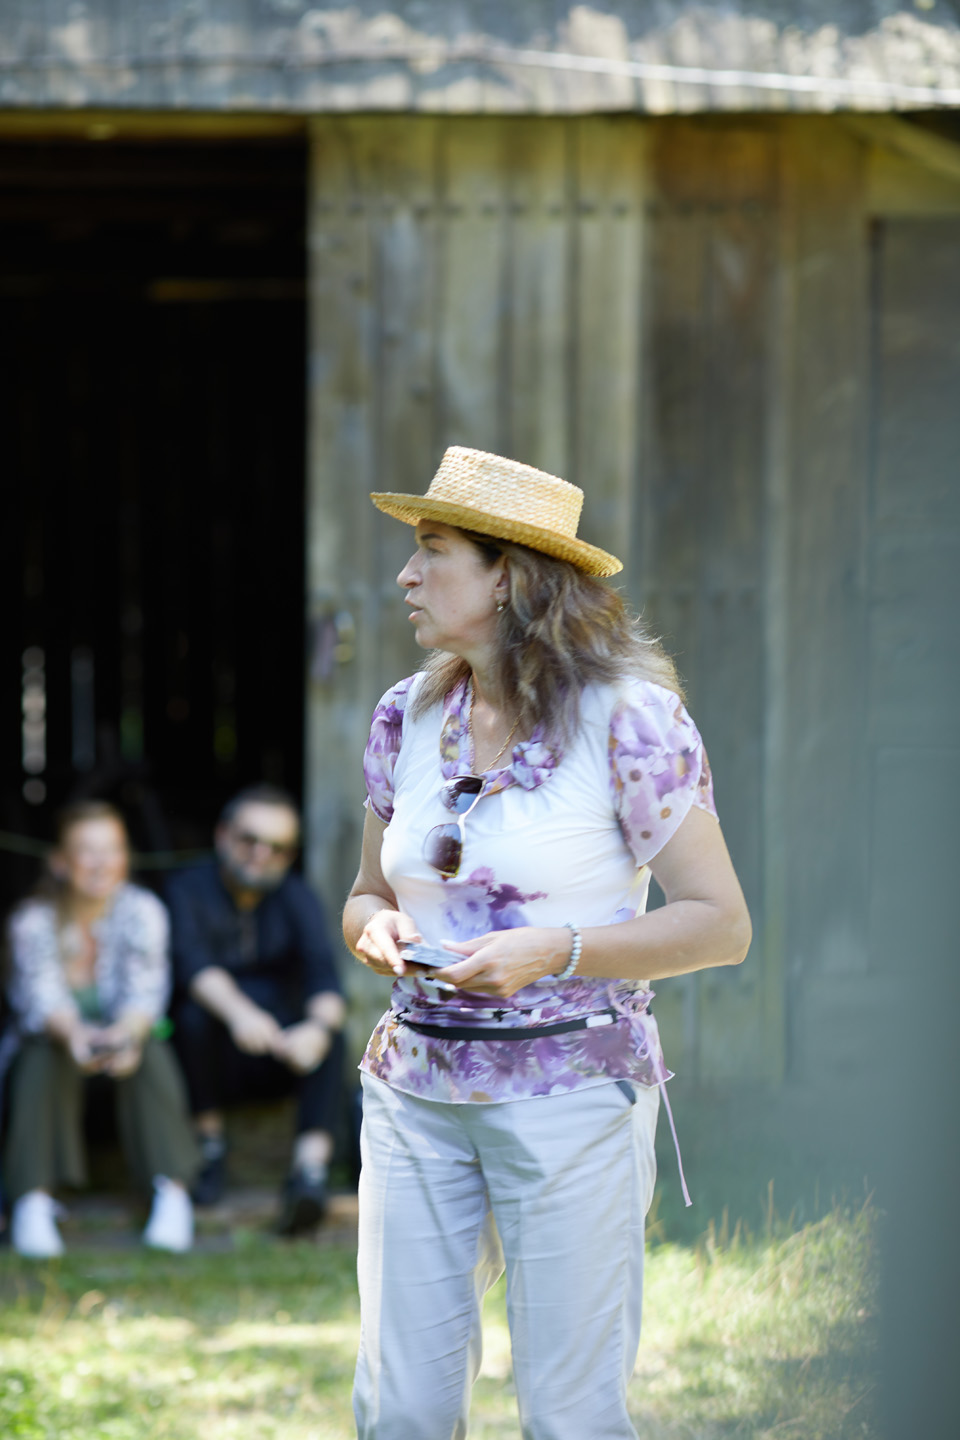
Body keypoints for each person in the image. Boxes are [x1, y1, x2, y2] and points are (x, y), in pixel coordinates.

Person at [343, 446, 753, 1440]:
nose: (405, 575)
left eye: (432, 550)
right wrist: (376, 929)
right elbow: (364, 895)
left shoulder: (631, 722)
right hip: (415, 1092)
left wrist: (555, 950)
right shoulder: (405, 715)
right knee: (401, 1411)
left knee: (570, 1414)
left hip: (573, 1093)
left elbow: (720, 923)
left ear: (508, 578)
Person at [3, 801, 198, 1259]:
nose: (101, 863)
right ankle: (32, 1197)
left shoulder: (143, 910)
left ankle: (172, 1192)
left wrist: (126, 1036)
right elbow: (40, 999)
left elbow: (146, 992)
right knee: (40, 1051)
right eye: (87, 851)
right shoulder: (32, 921)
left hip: (121, 1050)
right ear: (60, 862)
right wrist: (74, 1036)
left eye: (112, 850)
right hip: (55, 1052)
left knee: (152, 1046)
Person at [167, 785, 345, 1234]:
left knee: (332, 1034)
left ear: (289, 855)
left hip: (280, 1052)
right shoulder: (187, 888)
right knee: (190, 1019)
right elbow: (193, 966)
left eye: (277, 847)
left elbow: (324, 979)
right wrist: (240, 1015)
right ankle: (208, 1151)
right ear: (223, 836)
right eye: (249, 839)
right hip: (215, 1056)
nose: (261, 854)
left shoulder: (297, 896)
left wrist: (316, 1030)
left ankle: (309, 1173)